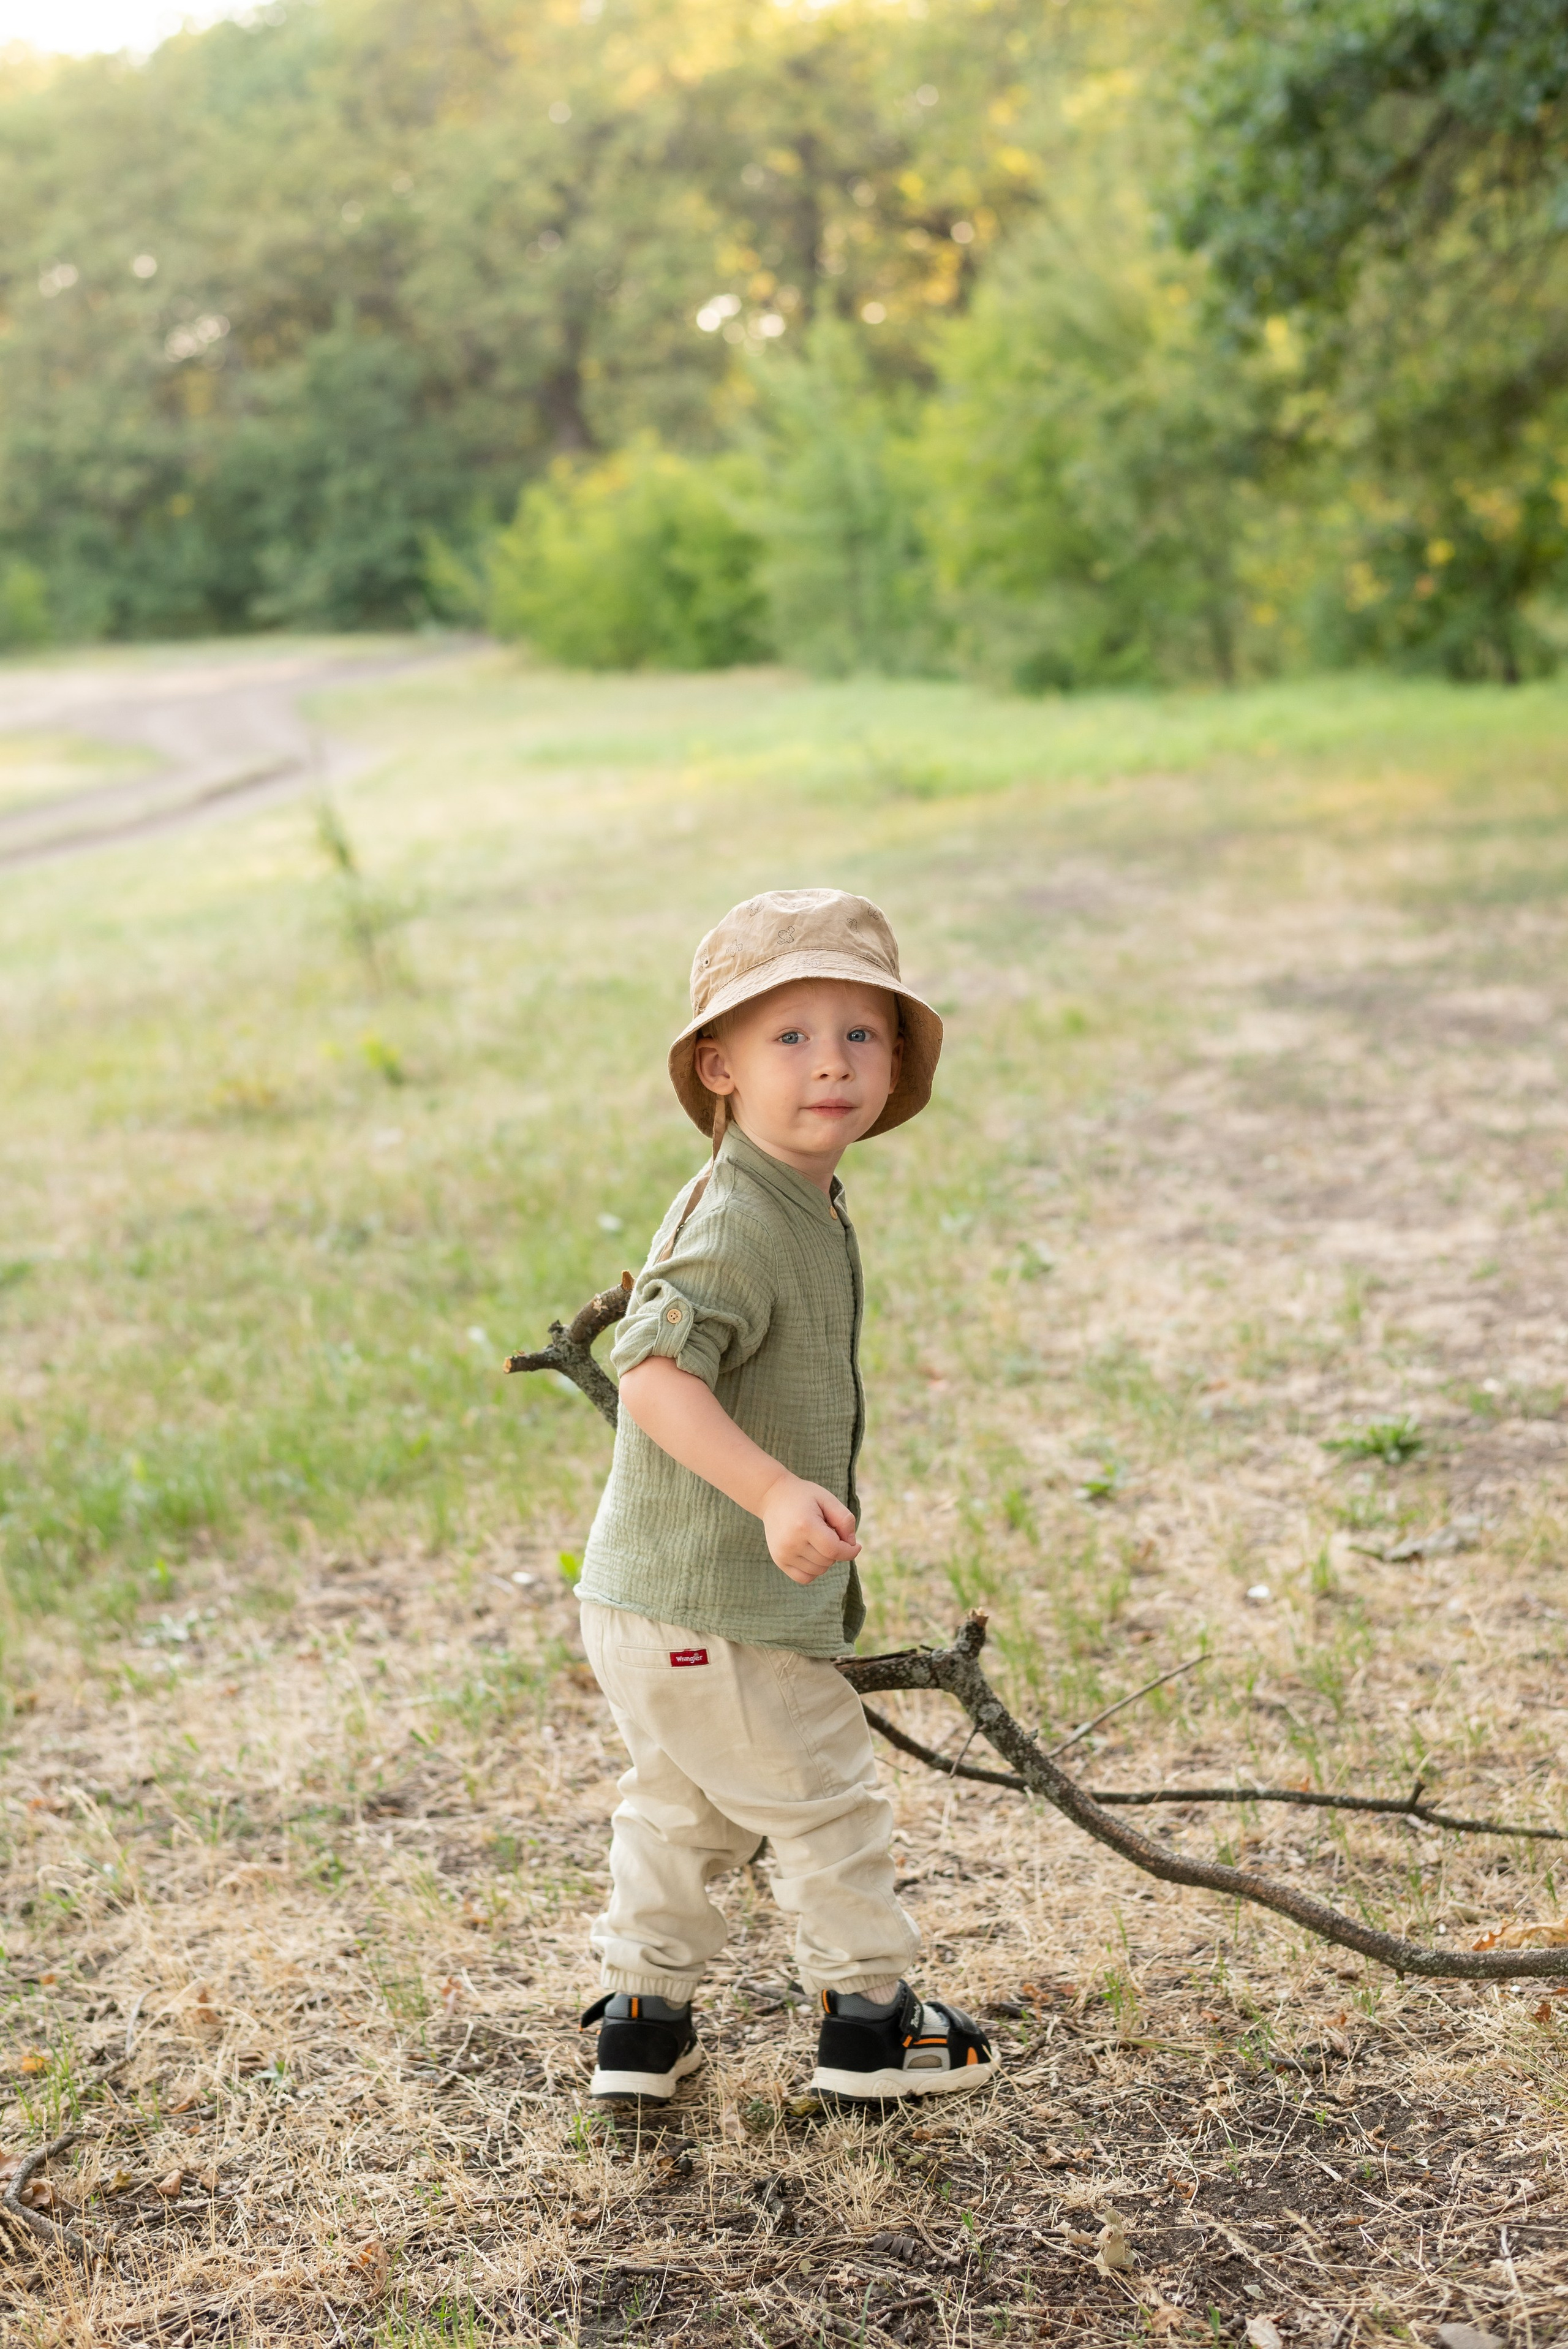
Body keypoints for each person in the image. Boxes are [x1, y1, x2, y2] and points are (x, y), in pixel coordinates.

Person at [575, 887, 996, 2103]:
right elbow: (651, 1375)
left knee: (682, 1809)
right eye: (790, 1037)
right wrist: (766, 1492)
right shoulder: (737, 1222)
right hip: (721, 1611)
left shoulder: (780, 1195)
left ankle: (642, 2025)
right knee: (824, 1803)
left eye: (861, 1034)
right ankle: (871, 2025)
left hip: (646, 1605)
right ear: (718, 1066)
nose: (832, 1065)